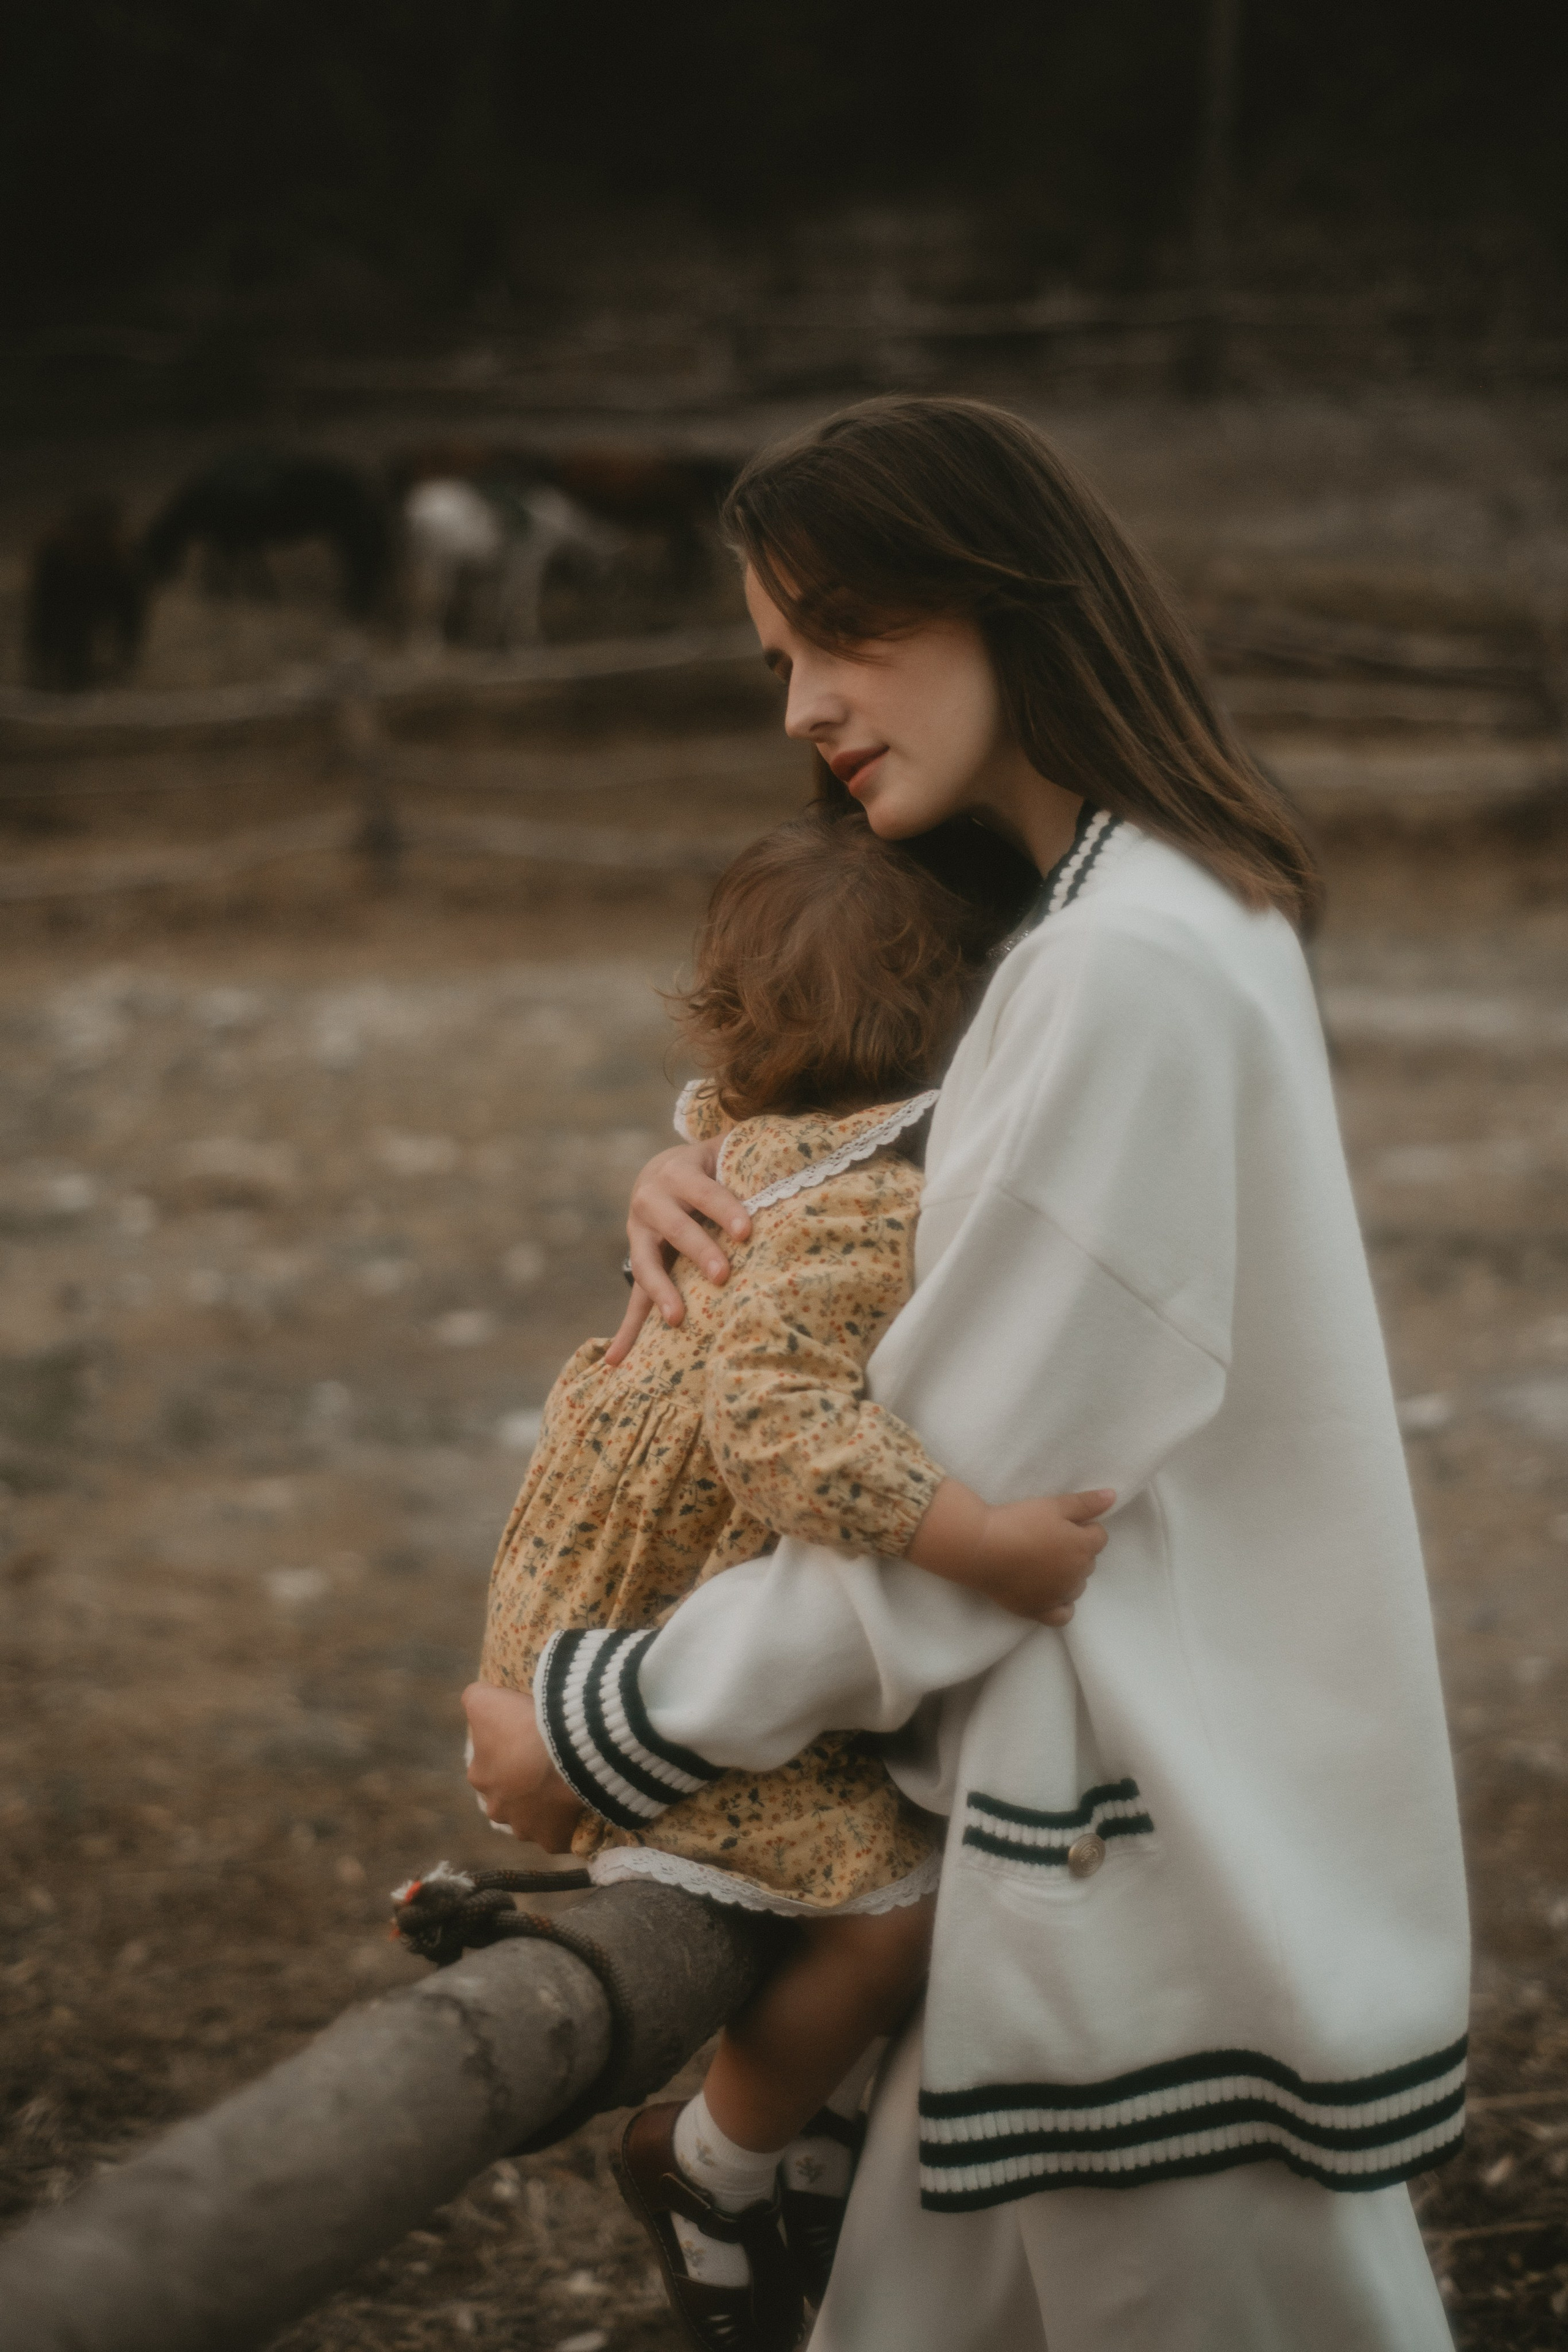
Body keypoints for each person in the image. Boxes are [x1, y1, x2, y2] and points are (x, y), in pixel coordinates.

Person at [466, 396, 1469, 2352]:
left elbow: (945, 1506)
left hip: (1140, 1870)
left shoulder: (1123, 970)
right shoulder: (1166, 908)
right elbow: (920, 1220)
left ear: (1012, 598)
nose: (802, 710)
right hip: (1122, 1848)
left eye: (846, 637)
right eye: (780, 661)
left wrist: (596, 1724)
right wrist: (711, 1171)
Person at [469, 807, 1111, 2352]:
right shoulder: (868, 1209)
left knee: (891, 1854)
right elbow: (775, 1435)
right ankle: (713, 2162)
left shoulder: (735, 1143)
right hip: (627, 1651)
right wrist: (982, 1541)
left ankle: (812, 2154)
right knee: (890, 1912)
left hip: (599, 1608)